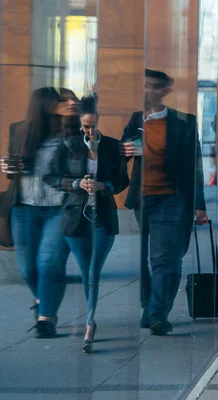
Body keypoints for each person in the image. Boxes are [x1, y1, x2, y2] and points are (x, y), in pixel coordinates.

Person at [121, 69, 209, 336]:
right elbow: (122, 155)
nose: (144, 91)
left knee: (163, 257)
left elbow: (195, 166)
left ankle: (158, 313)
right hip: (142, 199)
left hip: (172, 199)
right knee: (148, 259)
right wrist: (122, 150)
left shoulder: (183, 122)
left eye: (149, 86)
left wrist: (199, 204)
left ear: (163, 91)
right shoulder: (136, 119)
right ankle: (148, 306)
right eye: (142, 86)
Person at [44, 94, 129, 352]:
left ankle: (89, 324)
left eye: (92, 125)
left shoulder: (113, 147)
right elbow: (50, 177)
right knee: (86, 274)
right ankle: (91, 316)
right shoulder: (68, 145)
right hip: (75, 221)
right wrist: (75, 183)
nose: (89, 131)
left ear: (99, 121)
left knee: (93, 272)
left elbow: (123, 181)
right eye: (85, 126)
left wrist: (105, 186)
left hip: (103, 217)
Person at [1, 87, 76, 338]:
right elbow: (14, 169)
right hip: (24, 208)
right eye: (61, 100)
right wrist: (6, 165)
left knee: (48, 264)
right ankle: (41, 298)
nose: (67, 103)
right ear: (45, 104)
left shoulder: (72, 132)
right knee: (27, 269)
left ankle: (47, 318)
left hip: (59, 207)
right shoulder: (19, 130)